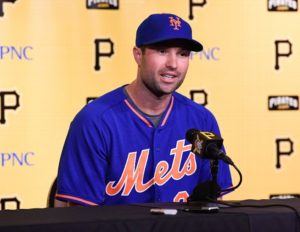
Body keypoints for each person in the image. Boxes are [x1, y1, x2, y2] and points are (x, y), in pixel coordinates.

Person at [55, 13, 232, 206]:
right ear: (138, 55)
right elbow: (77, 215)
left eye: (182, 53)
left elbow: (215, 204)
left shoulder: (202, 120)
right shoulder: (94, 122)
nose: (173, 64)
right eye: (162, 51)